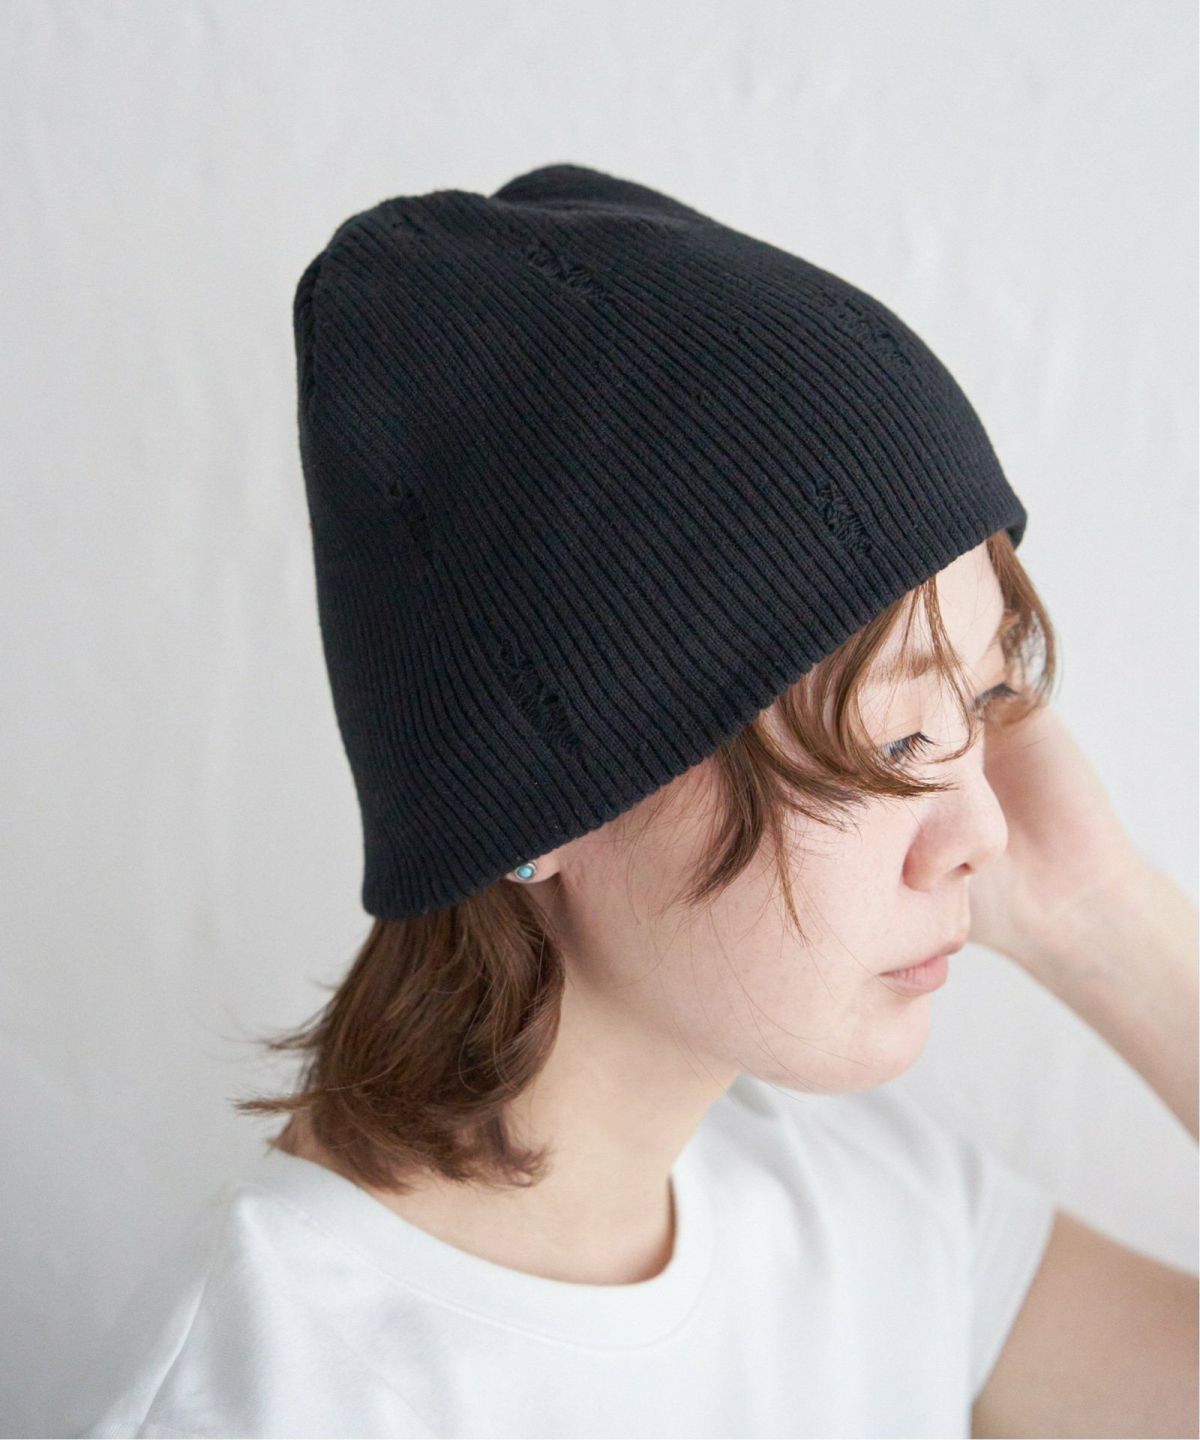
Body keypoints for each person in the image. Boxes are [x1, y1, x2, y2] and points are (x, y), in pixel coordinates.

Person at [72, 164, 1197, 1440]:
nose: (980, 830)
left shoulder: (867, 1213)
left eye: (984, 702)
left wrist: (1108, 920)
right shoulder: (271, 1400)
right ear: (543, 806)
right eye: (891, 736)